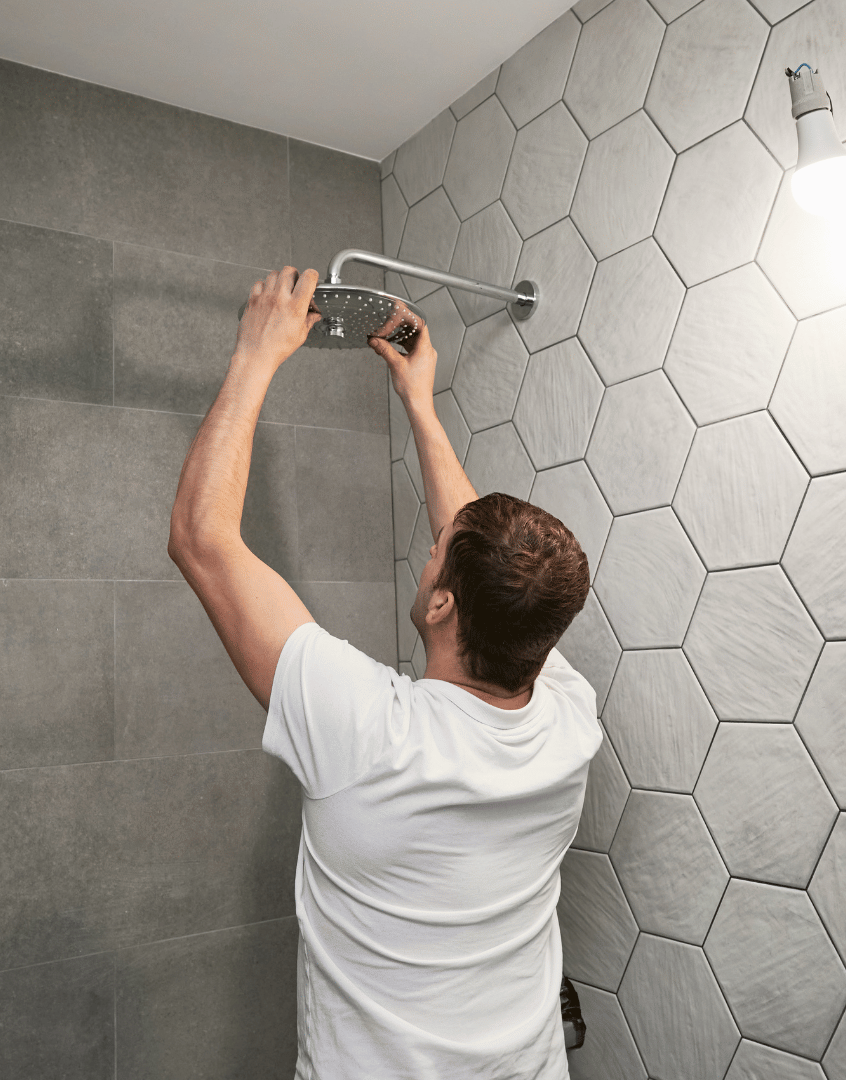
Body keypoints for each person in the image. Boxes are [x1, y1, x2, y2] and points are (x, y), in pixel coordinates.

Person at [167, 266, 601, 1079]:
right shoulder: (571, 719)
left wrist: (257, 356)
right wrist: (420, 404)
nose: (432, 544)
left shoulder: (369, 732)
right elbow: (480, 556)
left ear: (442, 606)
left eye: (435, 554)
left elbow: (202, 539)